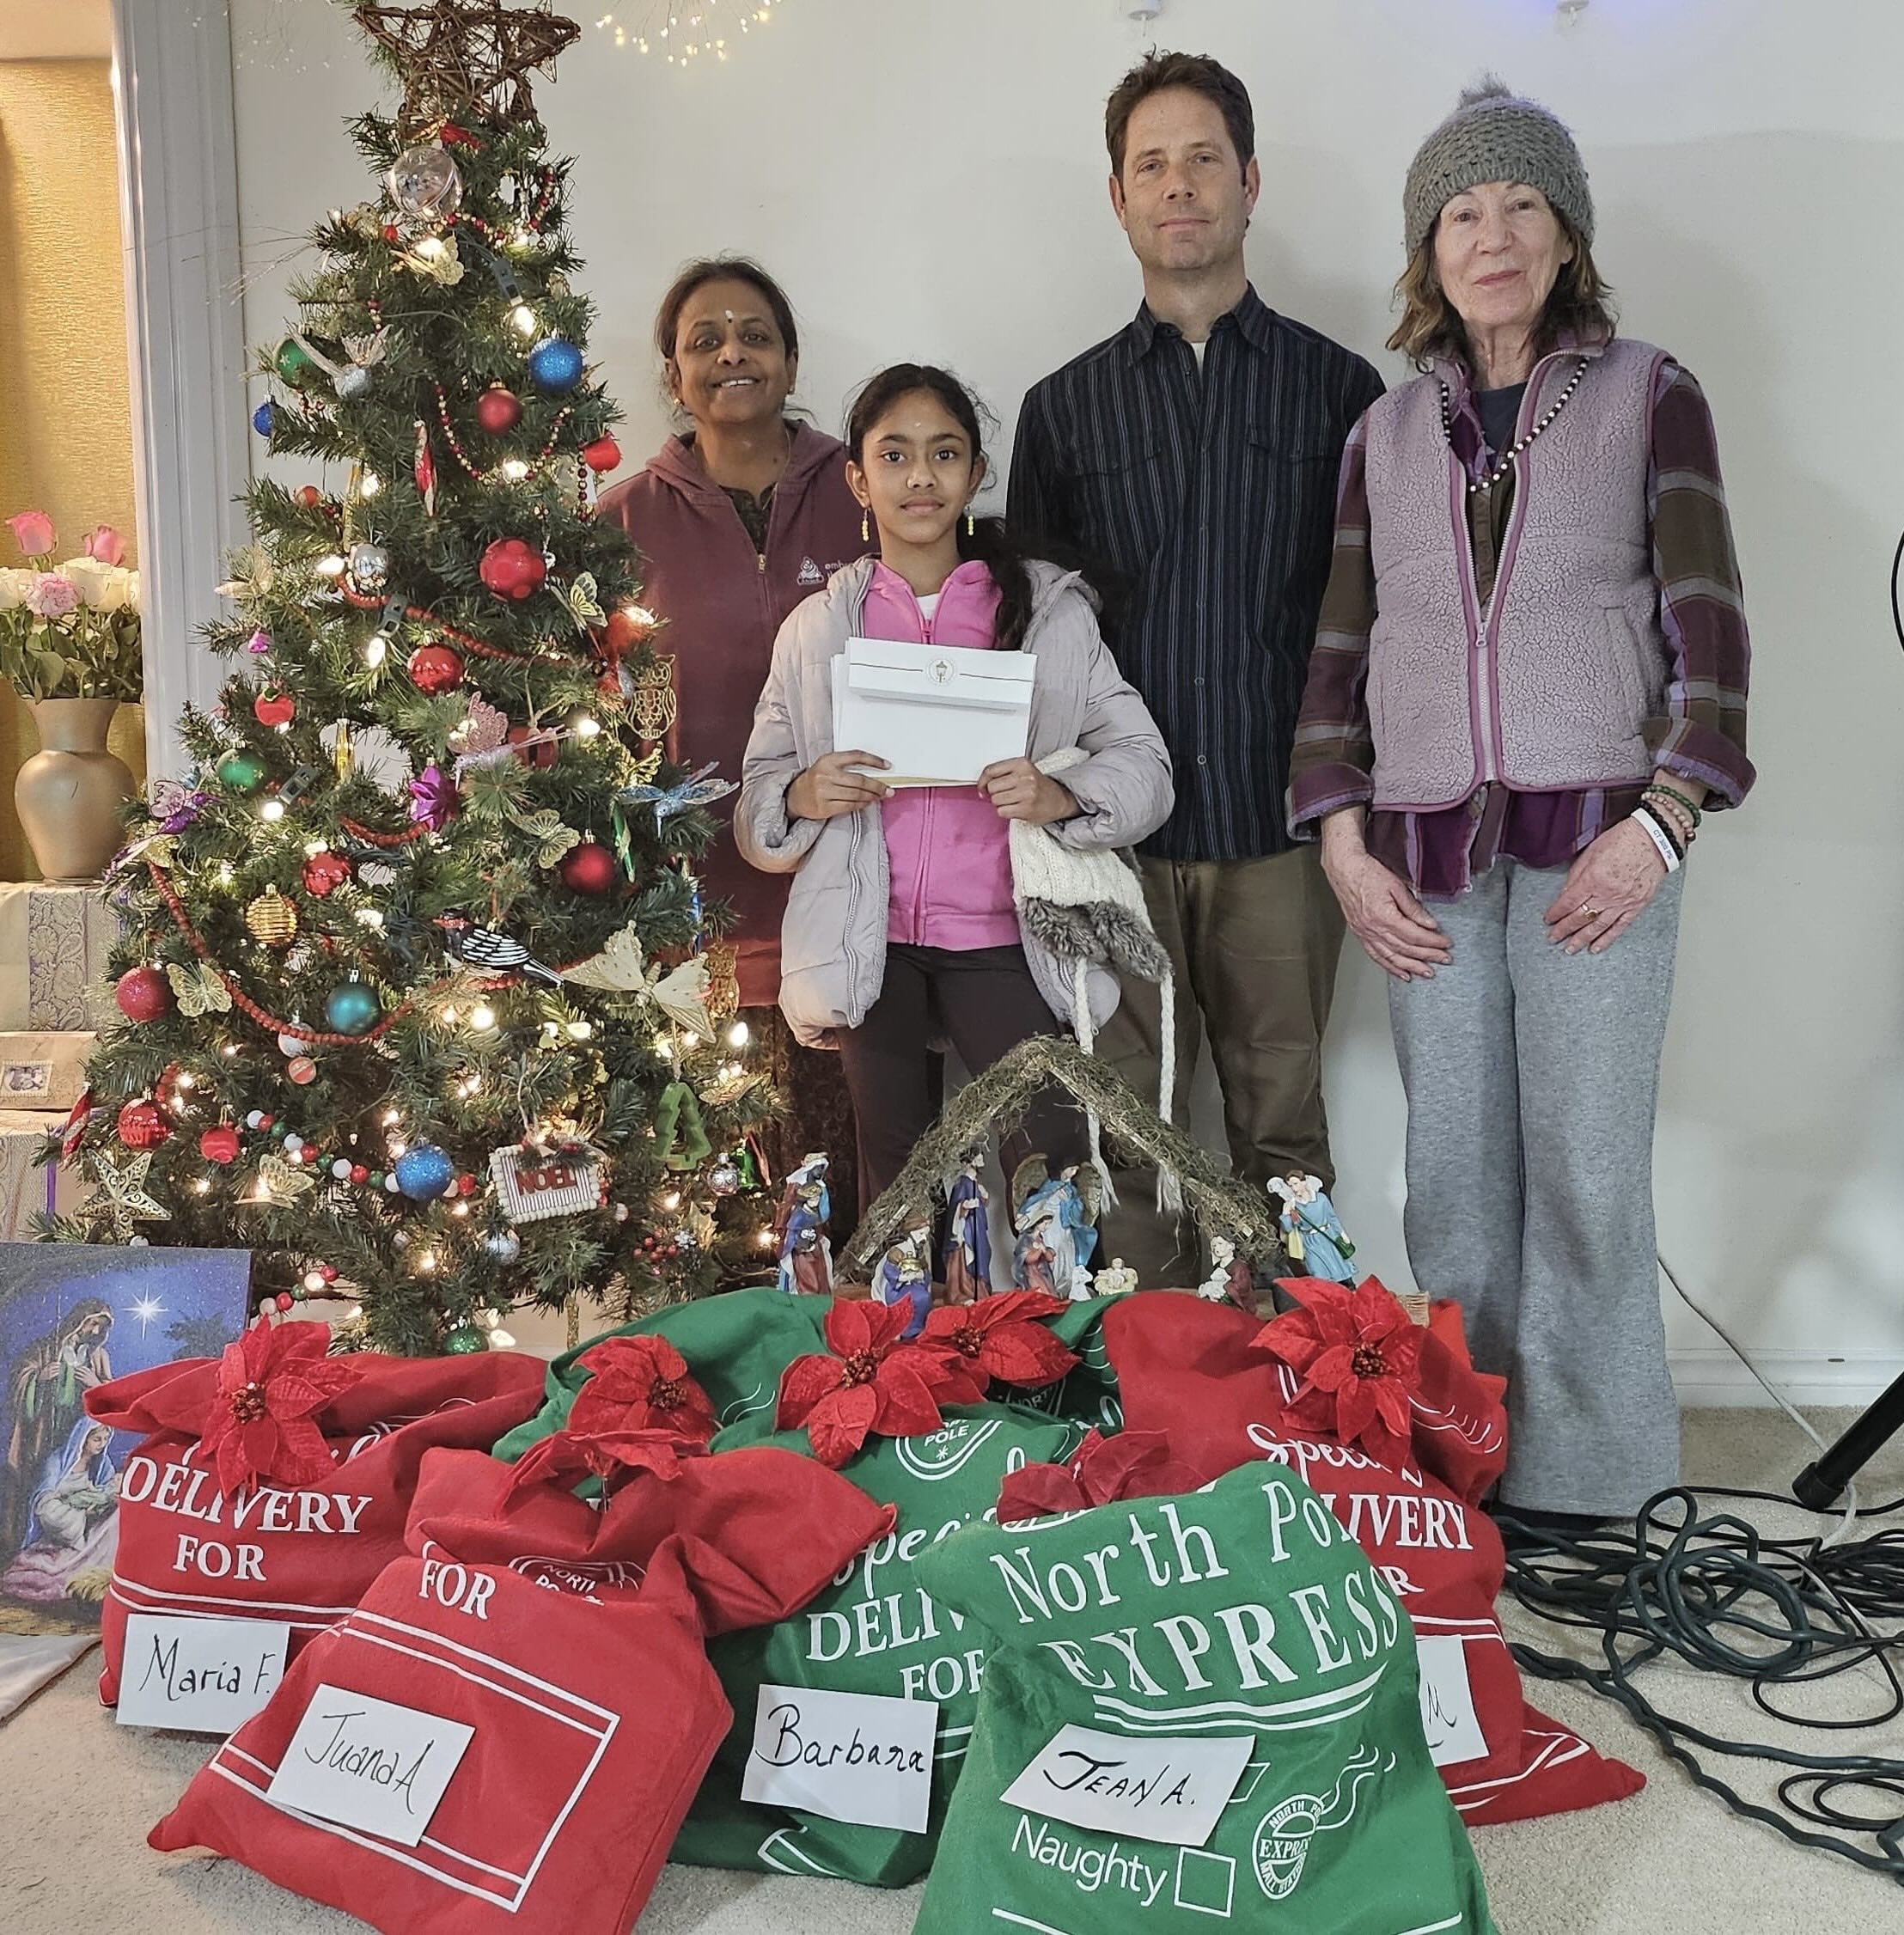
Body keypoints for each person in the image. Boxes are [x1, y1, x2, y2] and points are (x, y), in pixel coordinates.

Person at [1289, 81, 1754, 1533]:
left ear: (1566, 236)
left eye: (1520, 207)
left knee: (1589, 1185)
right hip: (1425, 860)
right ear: (1427, 248)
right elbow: (1338, 652)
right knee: (1456, 1193)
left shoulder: (1648, 393)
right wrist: (1342, 840)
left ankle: (1603, 1502)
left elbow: (1711, 632)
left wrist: (1665, 817)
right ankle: (1464, 1487)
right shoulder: (1384, 431)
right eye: (1461, 212)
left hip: (1597, 846)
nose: (1490, 236)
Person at [1010, 52, 1384, 1282]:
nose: (1180, 188)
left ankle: (1309, 1395)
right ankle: (1147, 1402)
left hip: (1284, 831)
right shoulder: (1061, 412)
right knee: (1129, 1139)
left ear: (1250, 180)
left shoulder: (1343, 392)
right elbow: (1040, 643)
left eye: (1204, 159)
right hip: (1110, 845)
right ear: (1117, 198)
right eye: (1151, 165)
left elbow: (1375, 615)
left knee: (1283, 1129)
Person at [736, 364, 1174, 1213]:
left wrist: (1058, 792)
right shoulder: (820, 626)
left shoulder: (1046, 612)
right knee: (898, 1192)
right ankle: (901, 1343)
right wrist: (800, 794)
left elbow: (1143, 764)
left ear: (975, 474)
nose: (920, 476)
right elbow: (757, 796)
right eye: (893, 456)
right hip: (871, 940)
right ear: (858, 479)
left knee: (1043, 1173)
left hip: (1003, 934)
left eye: (943, 453)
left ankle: (1037, 1343)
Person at [600, 258, 872, 1232]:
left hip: (853, 909)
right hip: (693, 929)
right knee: (715, 1217)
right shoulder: (617, 523)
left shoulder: (867, 494)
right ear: (674, 377)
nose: (731, 354)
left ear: (791, 360)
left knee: (848, 1206)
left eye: (753, 334)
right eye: (703, 340)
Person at [3, 1298, 113, 1560]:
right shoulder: (46, 1349)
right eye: (92, 1323)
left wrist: (95, 1383)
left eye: (101, 1327)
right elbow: (20, 1377)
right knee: (36, 1483)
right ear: (77, 1320)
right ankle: (21, 1542)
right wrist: (37, 1379)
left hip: (77, 1433)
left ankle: (65, 1541)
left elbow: (112, 1394)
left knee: (69, 1485)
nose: (95, 1332)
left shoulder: (98, 1356)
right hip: (42, 1431)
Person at [0, 1418, 119, 1602]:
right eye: (97, 1439)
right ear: (83, 1438)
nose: (102, 1445)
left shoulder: (101, 1465)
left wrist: (105, 1499)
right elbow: (44, 1505)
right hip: (69, 1530)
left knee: (117, 1515)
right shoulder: (57, 1463)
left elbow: (107, 1489)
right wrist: (81, 1512)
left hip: (92, 1525)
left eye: (105, 1440)